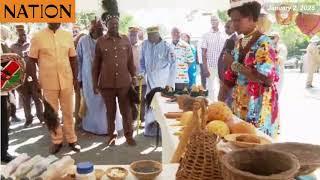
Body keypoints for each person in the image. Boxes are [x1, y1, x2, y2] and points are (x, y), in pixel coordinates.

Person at [225, 0, 280, 138]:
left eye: (237, 20)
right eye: (232, 20)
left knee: (258, 146)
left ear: (250, 18)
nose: (233, 24)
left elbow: (266, 79)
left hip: (258, 106)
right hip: (241, 104)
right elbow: (235, 75)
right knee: (242, 142)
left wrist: (234, 65)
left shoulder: (264, 43)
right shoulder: (239, 43)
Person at [28, 23, 81, 154]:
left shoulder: (67, 35)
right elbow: (31, 61)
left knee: (68, 112)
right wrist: (35, 81)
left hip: (66, 80)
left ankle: (72, 139)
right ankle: (57, 140)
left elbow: (73, 59)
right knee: (52, 113)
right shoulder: (38, 36)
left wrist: (75, 79)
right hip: (47, 81)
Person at [93, 0, 136, 146]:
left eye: (117, 24)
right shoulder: (100, 42)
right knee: (110, 112)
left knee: (126, 111)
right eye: (112, 25)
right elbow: (96, 65)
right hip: (107, 85)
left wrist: (134, 76)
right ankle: (111, 136)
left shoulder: (125, 40)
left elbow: (130, 62)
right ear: (107, 26)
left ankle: (129, 136)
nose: (115, 26)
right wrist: (94, 83)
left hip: (124, 83)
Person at [140, 26, 176, 136]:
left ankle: (162, 130)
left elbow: (173, 65)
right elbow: (142, 61)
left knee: (162, 104)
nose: (150, 39)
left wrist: (170, 83)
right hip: (150, 80)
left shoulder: (167, 46)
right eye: (148, 36)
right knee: (150, 104)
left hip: (162, 81)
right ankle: (150, 129)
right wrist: (142, 73)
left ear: (158, 35)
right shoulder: (145, 44)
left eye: (152, 36)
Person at [11, 25, 44, 127]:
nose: (22, 35)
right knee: (26, 100)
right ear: (17, 33)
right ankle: (28, 119)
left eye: (24, 33)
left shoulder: (32, 44)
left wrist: (40, 76)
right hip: (21, 78)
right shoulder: (13, 47)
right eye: (20, 33)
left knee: (37, 98)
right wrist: (14, 81)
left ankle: (41, 117)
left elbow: (39, 60)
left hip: (33, 76)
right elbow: (11, 63)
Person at [201, 15, 227, 101]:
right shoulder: (206, 35)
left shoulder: (224, 35)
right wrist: (205, 67)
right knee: (211, 87)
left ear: (219, 22)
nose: (213, 22)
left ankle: (220, 106)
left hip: (222, 66)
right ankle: (211, 105)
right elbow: (203, 52)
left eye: (215, 20)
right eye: (212, 20)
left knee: (222, 87)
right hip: (210, 66)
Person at [1, 26, 16, 163]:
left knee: (3, 123)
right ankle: (3, 153)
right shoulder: (3, 46)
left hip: (2, 91)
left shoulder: (3, 46)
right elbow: (10, 68)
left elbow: (11, 67)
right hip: (2, 91)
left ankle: (3, 152)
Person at [217, 20, 238, 106]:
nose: (226, 29)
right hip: (224, 75)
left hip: (227, 76)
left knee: (227, 100)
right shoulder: (229, 39)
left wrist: (224, 77)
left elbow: (228, 60)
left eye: (228, 27)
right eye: (225, 27)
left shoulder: (233, 40)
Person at [128, 26, 146, 122]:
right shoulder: (125, 46)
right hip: (129, 78)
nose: (133, 37)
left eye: (134, 35)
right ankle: (133, 119)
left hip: (141, 78)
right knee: (131, 99)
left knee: (142, 99)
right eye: (131, 35)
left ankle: (142, 119)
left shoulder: (143, 46)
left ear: (137, 35)